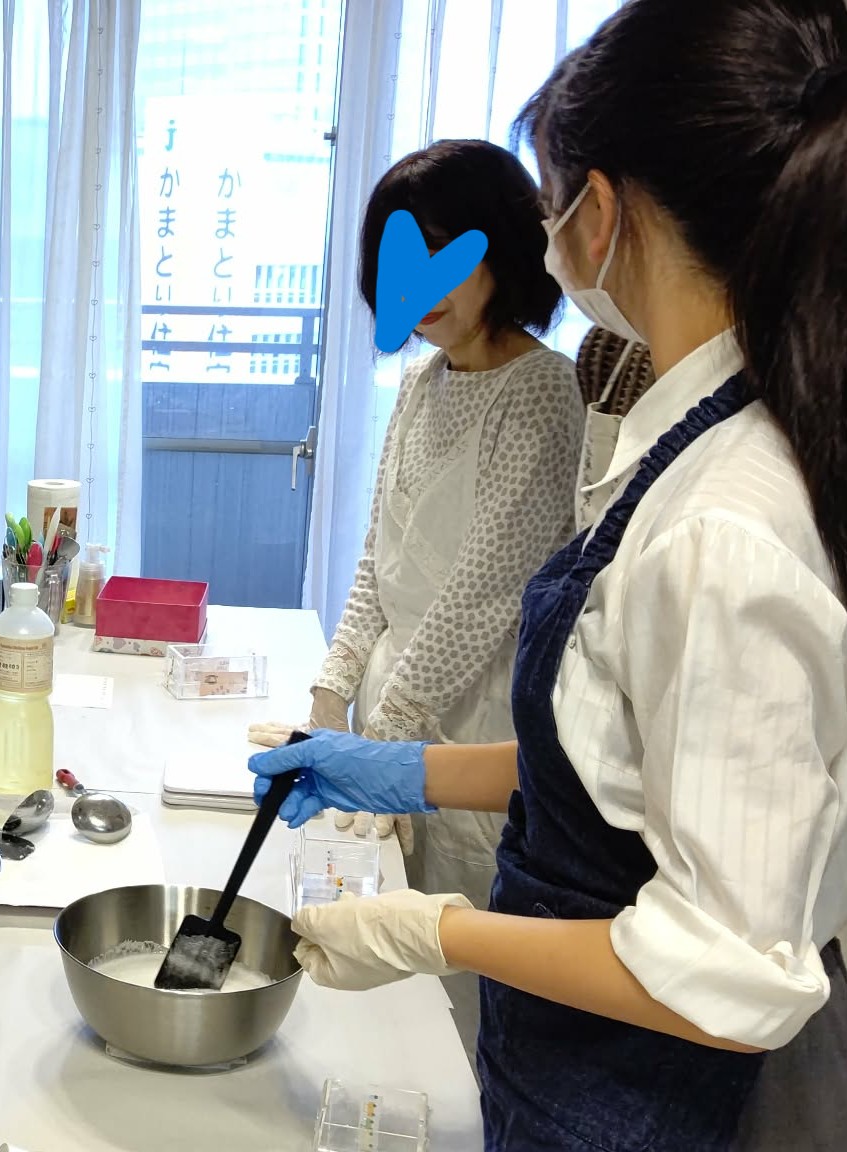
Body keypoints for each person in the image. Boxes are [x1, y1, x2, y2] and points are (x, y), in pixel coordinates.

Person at [252, 1, 847, 1147]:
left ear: (594, 213)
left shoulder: (721, 527)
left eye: (547, 204)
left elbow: (721, 973)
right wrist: (396, 767)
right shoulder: (699, 438)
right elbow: (616, 760)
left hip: (675, 1101)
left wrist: (433, 931)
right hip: (587, 1068)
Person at [252, 139, 581, 1043]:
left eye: (444, 253)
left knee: (458, 964)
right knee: (376, 950)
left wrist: (378, 746)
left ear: (502, 250)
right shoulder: (420, 381)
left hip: (475, 716)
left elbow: (478, 600)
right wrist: (329, 700)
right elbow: (377, 559)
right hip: (395, 701)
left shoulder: (541, 392)